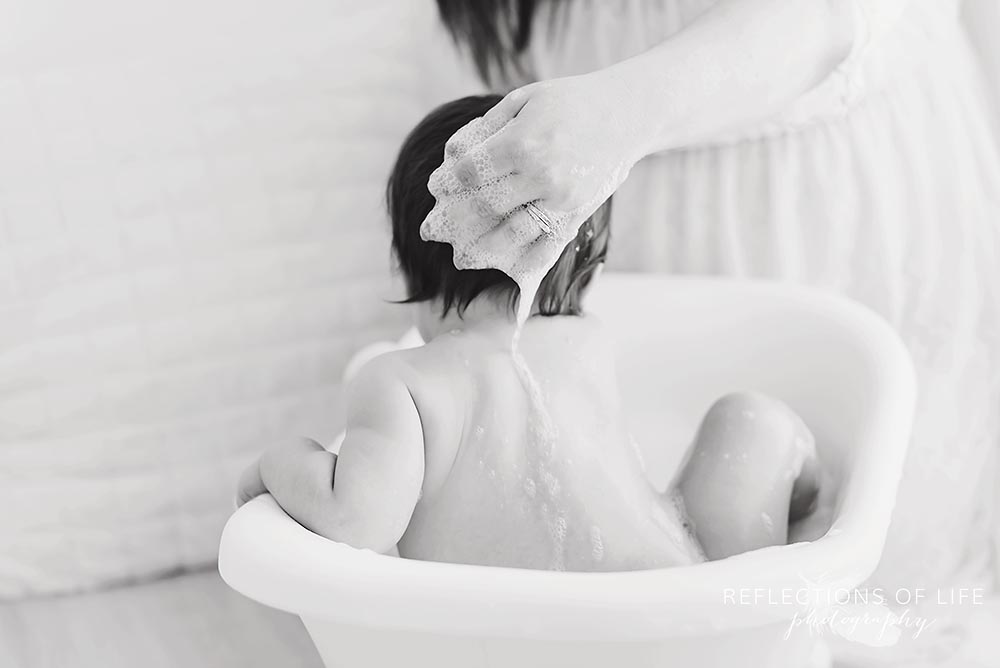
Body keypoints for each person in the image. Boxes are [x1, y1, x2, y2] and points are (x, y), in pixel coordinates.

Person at [430, 0, 1000, 618]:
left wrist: (615, 115)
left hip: (831, 178)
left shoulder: (415, 388)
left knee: (873, 582)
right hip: (594, 200)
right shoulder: (543, 348)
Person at [235, 95, 823, 570]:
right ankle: (801, 516)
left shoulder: (400, 382)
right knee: (750, 419)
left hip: (534, 639)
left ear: (405, 259)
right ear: (585, 261)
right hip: (682, 595)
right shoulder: (587, 340)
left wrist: (278, 464)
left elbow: (356, 521)